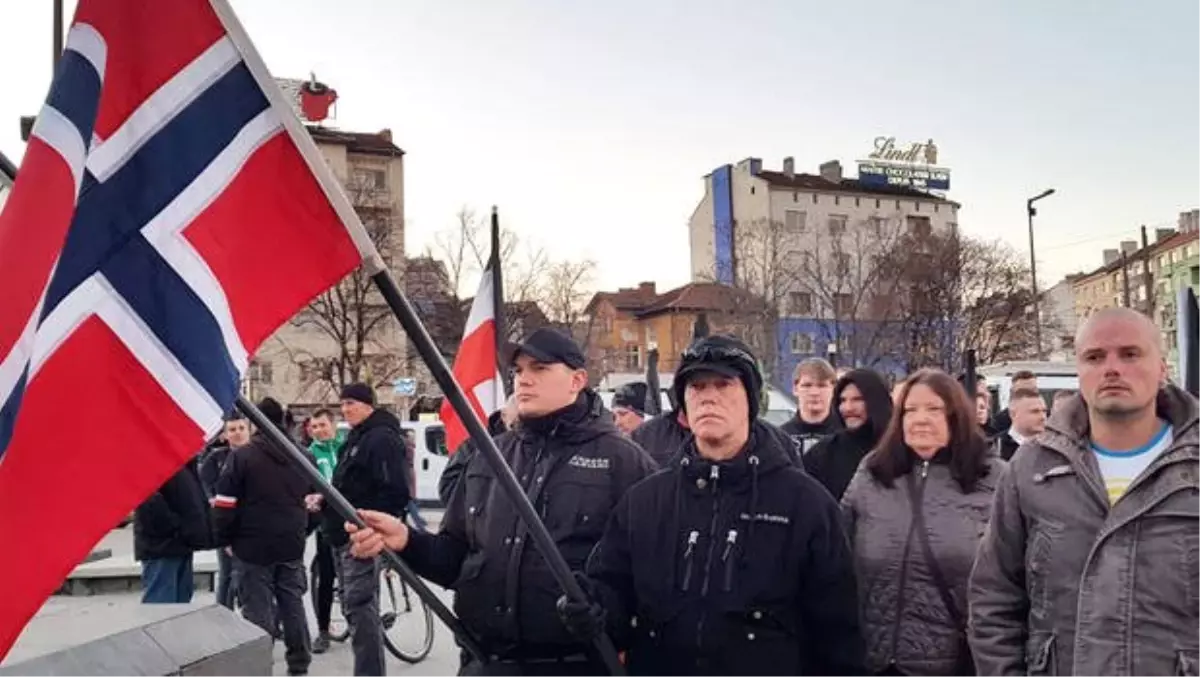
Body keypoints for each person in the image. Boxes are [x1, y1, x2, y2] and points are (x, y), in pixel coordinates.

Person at [345, 328, 657, 676]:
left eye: (539, 368)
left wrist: (607, 612)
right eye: (518, 371)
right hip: (484, 662)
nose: (523, 380)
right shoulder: (490, 455)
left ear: (577, 380)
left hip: (577, 666)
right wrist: (406, 541)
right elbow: (456, 557)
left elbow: (652, 580)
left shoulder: (624, 461)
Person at [568, 335, 866, 676]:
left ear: (751, 399)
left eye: (723, 384)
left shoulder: (805, 504)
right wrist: (595, 608)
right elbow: (615, 594)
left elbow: (839, 633)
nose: (708, 397)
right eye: (696, 387)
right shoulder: (644, 502)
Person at [970, 307, 1200, 676]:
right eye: (1095, 357)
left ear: (1162, 368)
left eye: (1130, 354)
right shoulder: (1033, 469)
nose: (1112, 368)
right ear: (1079, 370)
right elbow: (994, 597)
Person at [842, 369, 1002, 676]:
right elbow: (838, 553)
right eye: (909, 410)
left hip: (959, 664)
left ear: (957, 416)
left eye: (933, 409)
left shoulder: (994, 478)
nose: (920, 419)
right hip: (876, 663)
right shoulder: (873, 472)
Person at [212, 398, 316, 676]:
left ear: (256, 422)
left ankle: (259, 666)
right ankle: (299, 663)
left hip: (251, 544)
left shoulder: (242, 457)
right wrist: (304, 529)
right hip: (291, 543)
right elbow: (318, 502)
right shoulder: (303, 457)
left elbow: (224, 505)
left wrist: (225, 539)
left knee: (257, 610)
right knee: (292, 604)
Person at [319, 383, 412, 677]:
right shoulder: (357, 438)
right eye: (343, 404)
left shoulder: (381, 438)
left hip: (361, 536)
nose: (346, 410)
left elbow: (394, 491)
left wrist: (370, 522)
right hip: (342, 532)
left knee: (360, 607)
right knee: (354, 606)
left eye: (351, 403)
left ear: (368, 405)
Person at [803, 368, 893, 500]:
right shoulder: (824, 454)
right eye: (842, 400)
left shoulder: (899, 449)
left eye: (858, 399)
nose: (848, 408)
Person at [134, 455, 213, 604]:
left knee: (179, 606)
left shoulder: (185, 465)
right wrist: (179, 526)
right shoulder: (156, 461)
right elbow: (149, 503)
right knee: (160, 606)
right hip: (162, 546)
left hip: (181, 543)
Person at [200, 414, 252, 609]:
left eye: (241, 428)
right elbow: (205, 486)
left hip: (254, 525)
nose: (237, 433)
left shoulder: (259, 456)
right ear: (225, 435)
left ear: (249, 431)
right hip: (226, 524)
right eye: (232, 430)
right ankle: (223, 614)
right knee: (228, 573)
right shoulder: (216, 459)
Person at [306, 409, 343, 654]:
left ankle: (363, 621)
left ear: (334, 425)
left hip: (351, 520)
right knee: (326, 577)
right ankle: (322, 630)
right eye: (314, 426)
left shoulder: (345, 448)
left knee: (355, 577)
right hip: (325, 524)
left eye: (323, 425)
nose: (319, 430)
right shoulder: (309, 454)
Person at [437, 397, 516, 505]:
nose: (521, 431)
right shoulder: (474, 446)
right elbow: (448, 491)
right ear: (503, 416)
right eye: (515, 425)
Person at [780, 358, 840, 456]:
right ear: (795, 389)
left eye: (822, 386)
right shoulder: (780, 438)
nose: (814, 393)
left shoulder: (847, 436)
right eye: (807, 386)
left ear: (833, 389)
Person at [993, 387, 1047, 461]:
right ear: (1013, 414)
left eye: (1044, 411)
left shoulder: (1052, 447)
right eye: (1035, 411)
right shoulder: (994, 447)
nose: (1043, 417)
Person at [401, 429, 429, 532]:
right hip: (409, 473)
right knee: (410, 499)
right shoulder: (410, 446)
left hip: (406, 473)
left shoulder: (406, 446)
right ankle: (418, 522)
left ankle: (420, 524)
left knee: (409, 500)